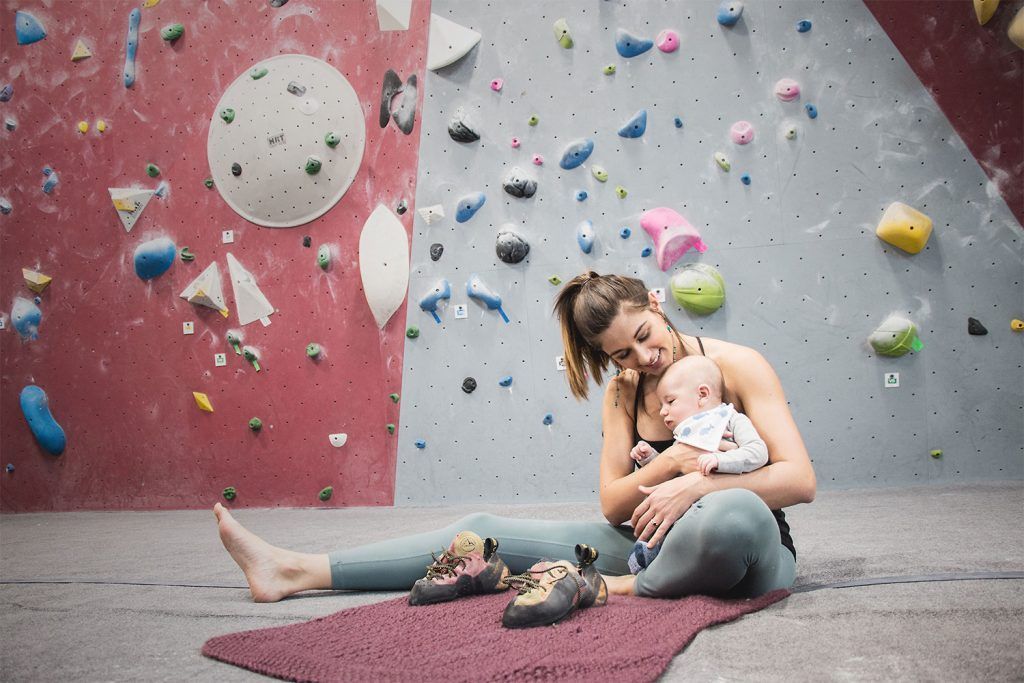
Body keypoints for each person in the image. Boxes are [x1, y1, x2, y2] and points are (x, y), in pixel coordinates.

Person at [213, 271, 815, 604]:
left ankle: (615, 591)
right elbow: (613, 504)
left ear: (657, 304)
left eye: (645, 334)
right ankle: (298, 571)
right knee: (480, 527)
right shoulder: (624, 392)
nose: (643, 357)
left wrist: (693, 489)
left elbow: (799, 480)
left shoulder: (738, 365)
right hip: (652, 543)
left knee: (728, 516)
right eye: (621, 353)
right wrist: (670, 465)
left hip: (749, 549)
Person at [626, 354, 769, 574]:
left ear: (702, 394)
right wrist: (650, 458)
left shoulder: (731, 419)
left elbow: (758, 453)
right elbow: (677, 479)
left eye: (670, 401)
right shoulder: (687, 435)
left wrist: (720, 460)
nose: (663, 411)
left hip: (725, 512)